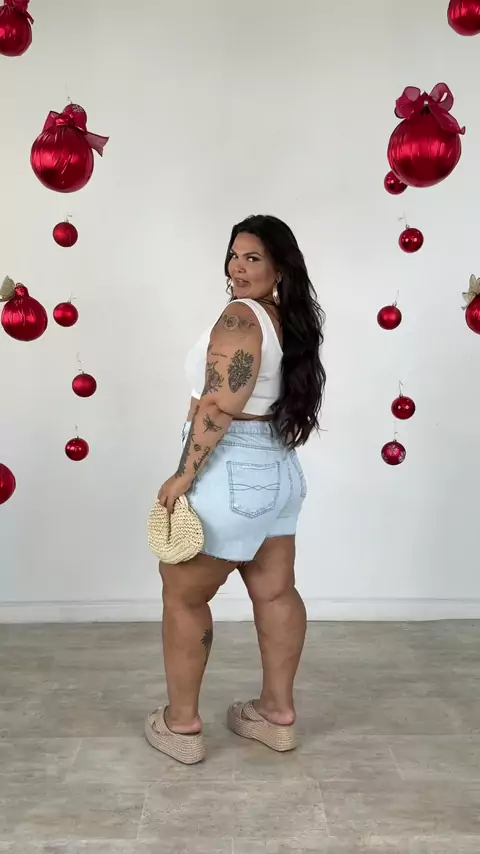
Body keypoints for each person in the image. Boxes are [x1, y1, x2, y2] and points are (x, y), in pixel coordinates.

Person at [145, 214, 326, 764]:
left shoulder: (241, 317)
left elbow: (219, 405)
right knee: (275, 592)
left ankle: (181, 724)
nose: (239, 267)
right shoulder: (288, 320)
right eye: (234, 255)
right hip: (279, 469)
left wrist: (184, 474)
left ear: (279, 268)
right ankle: (276, 713)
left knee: (183, 594)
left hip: (231, 470)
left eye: (254, 258)